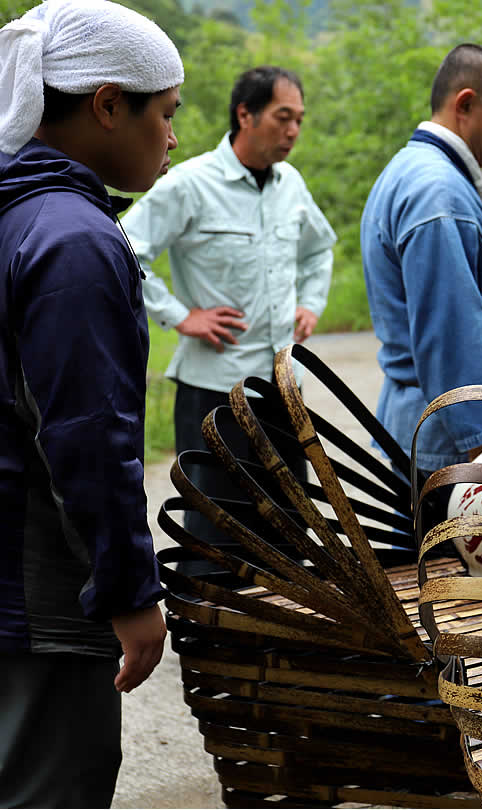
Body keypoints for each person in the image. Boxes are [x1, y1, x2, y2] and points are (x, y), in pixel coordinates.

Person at [0, 0, 184, 804]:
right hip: (40, 579)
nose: (173, 136)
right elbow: (87, 436)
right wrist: (127, 592)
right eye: (167, 113)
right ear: (108, 104)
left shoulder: (16, 214)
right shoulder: (73, 238)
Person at [122, 65, 336, 565]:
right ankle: (209, 640)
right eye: (283, 117)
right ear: (245, 114)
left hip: (282, 389)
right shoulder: (191, 184)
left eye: (299, 119)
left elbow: (319, 249)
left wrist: (312, 303)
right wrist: (179, 316)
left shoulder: (291, 184)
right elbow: (125, 248)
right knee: (215, 534)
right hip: (213, 391)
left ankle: (283, 641)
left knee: (290, 531)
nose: (293, 131)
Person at [361, 43, 482, 486]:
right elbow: (455, 339)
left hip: (430, 433)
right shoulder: (439, 195)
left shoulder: (414, 170)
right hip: (451, 447)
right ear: (467, 104)